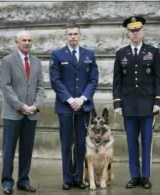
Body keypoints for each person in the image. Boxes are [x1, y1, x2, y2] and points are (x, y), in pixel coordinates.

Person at [112, 16, 160, 189]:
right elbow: (117, 81)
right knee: (131, 142)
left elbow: (159, 79)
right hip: (128, 106)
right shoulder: (121, 54)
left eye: (138, 30)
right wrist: (117, 103)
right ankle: (134, 176)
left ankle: (146, 176)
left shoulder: (153, 52)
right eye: (132, 30)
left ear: (142, 31)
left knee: (147, 143)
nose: (135, 33)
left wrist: (158, 101)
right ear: (127, 33)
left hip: (148, 105)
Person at [49, 22, 99, 190]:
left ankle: (78, 178)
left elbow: (93, 79)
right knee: (66, 143)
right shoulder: (57, 55)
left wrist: (83, 98)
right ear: (66, 36)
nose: (73, 37)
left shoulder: (89, 54)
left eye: (75, 34)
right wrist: (70, 100)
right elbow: (55, 80)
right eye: (70, 34)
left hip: (83, 107)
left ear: (80, 35)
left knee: (80, 143)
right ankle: (67, 178)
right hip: (65, 107)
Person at [0, 31, 44, 194]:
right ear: (16, 42)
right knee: (9, 149)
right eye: (24, 40)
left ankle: (23, 180)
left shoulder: (37, 62)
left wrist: (35, 105)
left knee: (27, 149)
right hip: (13, 113)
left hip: (31, 113)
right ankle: (7, 182)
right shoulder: (7, 61)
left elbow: (40, 87)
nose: (27, 43)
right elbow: (6, 86)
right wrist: (20, 106)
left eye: (29, 40)